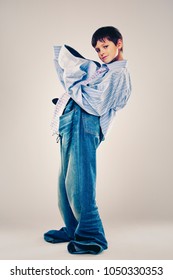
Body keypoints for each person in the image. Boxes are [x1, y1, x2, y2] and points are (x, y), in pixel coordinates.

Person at [44, 26, 132, 254]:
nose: (101, 52)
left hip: (85, 125)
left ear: (118, 43)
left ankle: (92, 235)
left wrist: (75, 85)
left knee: (80, 180)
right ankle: (74, 228)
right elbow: (83, 93)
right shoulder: (103, 71)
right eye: (97, 49)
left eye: (105, 46)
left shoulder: (118, 74)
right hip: (72, 122)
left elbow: (97, 104)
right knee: (65, 181)